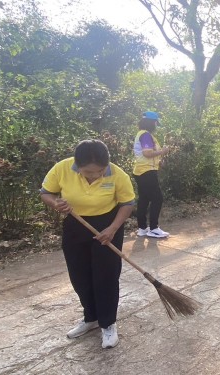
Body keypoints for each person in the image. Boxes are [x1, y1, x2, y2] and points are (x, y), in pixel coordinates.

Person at [40, 139, 135, 349]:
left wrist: (112, 229)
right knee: (79, 275)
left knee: (106, 277)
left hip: (108, 226)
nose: (94, 176)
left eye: (99, 171)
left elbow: (127, 204)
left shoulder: (117, 174)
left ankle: (108, 324)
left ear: (107, 164)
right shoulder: (63, 168)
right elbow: (46, 192)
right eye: (88, 172)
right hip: (75, 224)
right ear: (77, 165)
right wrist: (56, 203)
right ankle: (90, 318)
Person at [133, 111, 170, 238]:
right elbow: (147, 153)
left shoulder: (142, 134)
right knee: (157, 198)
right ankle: (154, 228)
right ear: (151, 122)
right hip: (146, 172)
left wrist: (159, 160)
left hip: (141, 171)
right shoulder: (146, 135)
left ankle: (142, 228)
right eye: (155, 122)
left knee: (144, 199)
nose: (156, 125)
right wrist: (162, 151)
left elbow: (148, 155)